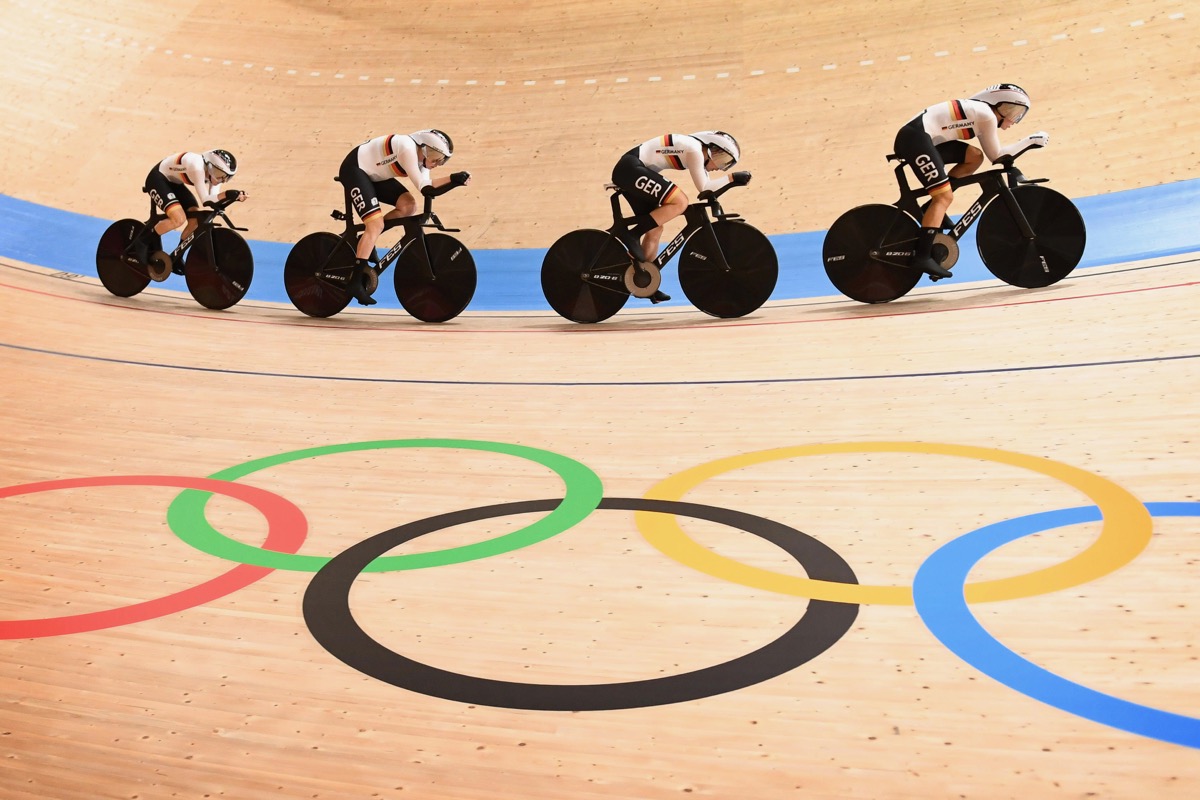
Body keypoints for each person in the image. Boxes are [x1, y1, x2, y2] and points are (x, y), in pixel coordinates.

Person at [893, 83, 1049, 279]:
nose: (1014, 119)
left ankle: (928, 209)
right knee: (943, 197)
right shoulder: (987, 115)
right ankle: (922, 256)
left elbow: (988, 156)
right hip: (915, 139)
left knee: (974, 156)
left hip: (922, 138)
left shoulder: (982, 113)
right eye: (1013, 111)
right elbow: (998, 156)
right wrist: (1031, 141)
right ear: (999, 104)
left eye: (1018, 115)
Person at [611, 131, 751, 303]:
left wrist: (730, 181)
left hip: (633, 170)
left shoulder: (697, 151)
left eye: (726, 166)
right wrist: (731, 178)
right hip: (631, 169)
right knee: (680, 202)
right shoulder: (694, 150)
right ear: (712, 148)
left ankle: (646, 283)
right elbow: (704, 187)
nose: (719, 168)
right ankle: (632, 234)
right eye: (722, 160)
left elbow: (708, 189)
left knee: (655, 227)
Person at [338, 130, 471, 305]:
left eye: (441, 160)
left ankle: (365, 240)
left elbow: (429, 185)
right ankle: (354, 283)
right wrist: (452, 179)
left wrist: (454, 181)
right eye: (435, 156)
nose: (436, 163)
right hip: (355, 170)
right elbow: (425, 189)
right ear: (423, 148)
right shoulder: (407, 148)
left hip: (373, 176)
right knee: (374, 225)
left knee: (408, 206)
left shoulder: (422, 161)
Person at [142, 149, 245, 279]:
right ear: (210, 165)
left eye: (226, 177)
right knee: (178, 219)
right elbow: (206, 200)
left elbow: (214, 198)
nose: (221, 180)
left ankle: (177, 257)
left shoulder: (213, 176)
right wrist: (228, 194)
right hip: (158, 178)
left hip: (174, 183)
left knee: (195, 220)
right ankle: (143, 241)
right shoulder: (197, 168)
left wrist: (233, 197)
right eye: (219, 174)